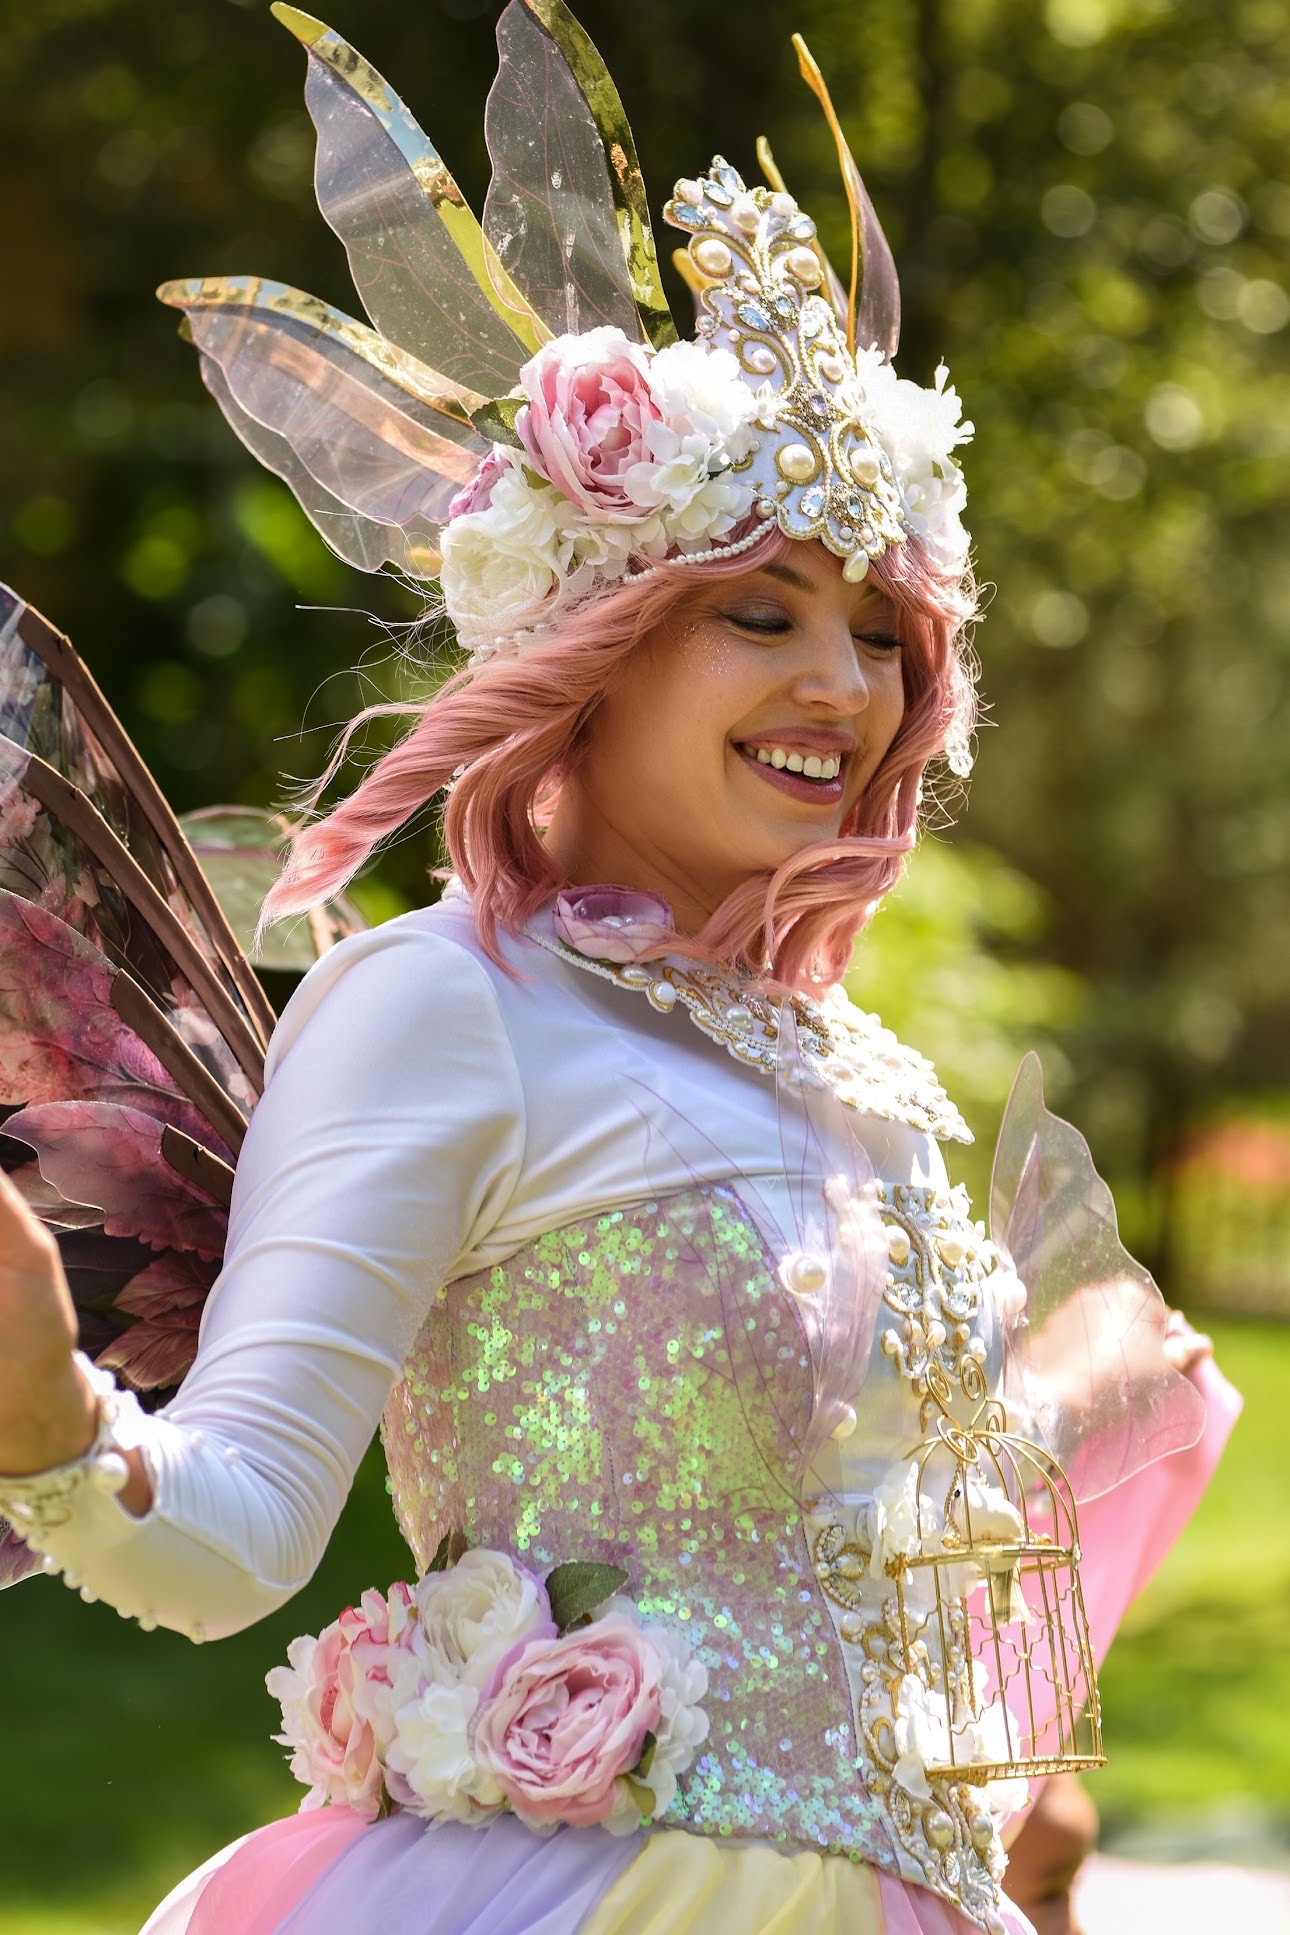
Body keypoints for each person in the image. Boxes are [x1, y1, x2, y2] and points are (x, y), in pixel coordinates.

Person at [0, 5, 1238, 1933]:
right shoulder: (446, 1004)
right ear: (596, 645)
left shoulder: (866, 1075)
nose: (842, 687)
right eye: (757, 614)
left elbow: (904, 1570)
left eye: (882, 633)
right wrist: (55, 1433)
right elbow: (238, 1531)